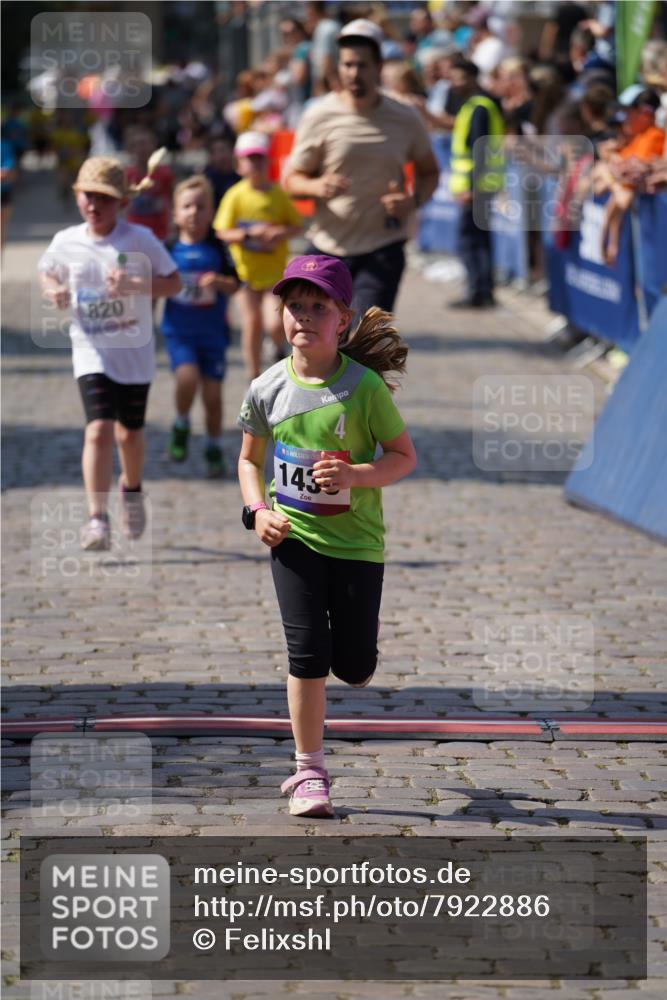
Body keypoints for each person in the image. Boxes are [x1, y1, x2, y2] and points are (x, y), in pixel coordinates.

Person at [237, 254, 416, 818]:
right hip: (293, 539)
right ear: (281, 315)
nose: (304, 317)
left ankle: (360, 648)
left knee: (354, 665)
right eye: (294, 306)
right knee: (307, 655)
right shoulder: (266, 388)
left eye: (319, 307)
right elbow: (249, 461)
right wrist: (255, 511)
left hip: (358, 543)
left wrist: (358, 475)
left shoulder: (363, 389)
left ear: (343, 317)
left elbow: (403, 457)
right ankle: (309, 771)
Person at [38, 157, 181, 550]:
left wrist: (138, 283)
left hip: (134, 354)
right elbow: (48, 271)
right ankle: (97, 519)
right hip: (91, 350)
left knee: (129, 435)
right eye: (88, 196)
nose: (94, 205)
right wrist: (53, 291)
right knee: (99, 429)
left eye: (104, 198)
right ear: (78, 197)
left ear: (121, 203)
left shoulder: (138, 240)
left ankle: (131, 488)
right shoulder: (67, 240)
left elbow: (173, 283)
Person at [283, 19, 439, 319]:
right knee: (322, 346)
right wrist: (317, 186)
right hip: (328, 247)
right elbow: (291, 179)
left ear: (379, 66)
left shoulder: (404, 117)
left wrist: (413, 200)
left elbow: (430, 171)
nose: (354, 74)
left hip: (382, 247)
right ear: (338, 68)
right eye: (348, 65)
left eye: (363, 65)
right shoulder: (319, 114)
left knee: (363, 343)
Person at [162, 175, 240, 478]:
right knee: (187, 378)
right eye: (187, 206)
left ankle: (213, 445)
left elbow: (236, 285)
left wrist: (220, 282)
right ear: (175, 213)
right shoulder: (167, 248)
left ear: (211, 212)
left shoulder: (218, 248)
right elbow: (155, 287)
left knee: (213, 396)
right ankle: (181, 422)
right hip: (179, 332)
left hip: (213, 334)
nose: (193, 212)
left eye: (201, 206)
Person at [214, 130, 303, 380]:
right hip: (245, 274)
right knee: (251, 325)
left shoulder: (277, 194)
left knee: (275, 324)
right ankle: (253, 378)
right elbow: (221, 231)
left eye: (259, 158)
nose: (254, 164)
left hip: (274, 275)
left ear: (268, 161)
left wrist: (277, 233)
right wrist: (246, 235)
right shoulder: (235, 195)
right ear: (239, 164)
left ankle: (275, 346)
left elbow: (296, 226)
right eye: (249, 159)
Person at [448, 57, 504, 308]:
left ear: (472, 78)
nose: (454, 83)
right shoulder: (473, 105)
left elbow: (479, 150)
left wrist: (471, 187)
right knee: (478, 239)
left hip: (477, 187)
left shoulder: (479, 107)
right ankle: (483, 291)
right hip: (481, 185)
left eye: (459, 78)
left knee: (470, 241)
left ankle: (478, 292)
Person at [124, 127, 174, 242]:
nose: (142, 148)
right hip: (134, 231)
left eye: (146, 144)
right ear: (131, 149)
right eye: (138, 144)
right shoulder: (126, 175)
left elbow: (172, 200)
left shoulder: (165, 173)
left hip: (160, 232)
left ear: (154, 146)